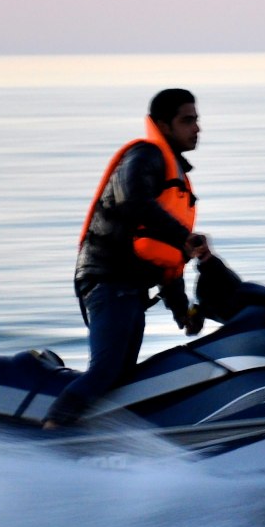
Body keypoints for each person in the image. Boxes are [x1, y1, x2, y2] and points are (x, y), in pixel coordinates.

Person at [42, 89, 213, 430]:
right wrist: (184, 238)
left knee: (121, 378)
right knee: (106, 372)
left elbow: (165, 258)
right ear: (163, 125)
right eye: (188, 120)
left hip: (129, 288)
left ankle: (91, 443)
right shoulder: (145, 155)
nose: (197, 128)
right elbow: (132, 202)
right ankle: (48, 436)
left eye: (197, 120)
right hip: (107, 279)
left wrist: (183, 311)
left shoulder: (175, 179)